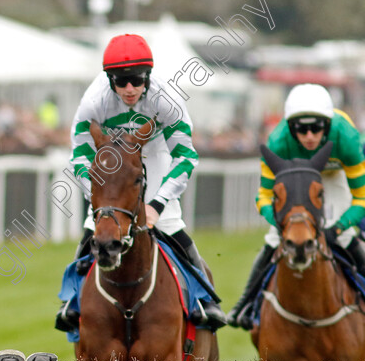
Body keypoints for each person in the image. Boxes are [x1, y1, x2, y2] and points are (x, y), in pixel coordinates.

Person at [54, 33, 226, 332]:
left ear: (148, 75)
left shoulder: (166, 100)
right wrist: (98, 198)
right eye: (121, 81)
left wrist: (158, 204)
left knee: (170, 223)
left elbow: (185, 157)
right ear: (110, 80)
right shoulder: (92, 104)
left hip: (156, 154)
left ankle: (205, 300)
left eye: (136, 79)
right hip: (112, 163)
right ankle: (71, 301)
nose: (130, 88)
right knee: (93, 229)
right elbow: (80, 157)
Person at [226, 83, 365, 329]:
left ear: (328, 126)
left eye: (317, 128)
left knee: (344, 237)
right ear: (291, 128)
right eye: (302, 129)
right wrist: (280, 223)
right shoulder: (278, 141)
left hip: (337, 177)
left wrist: (341, 226)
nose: (310, 136)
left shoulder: (347, 138)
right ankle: (244, 305)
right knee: (272, 238)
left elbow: (360, 200)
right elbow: (264, 197)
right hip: (297, 178)